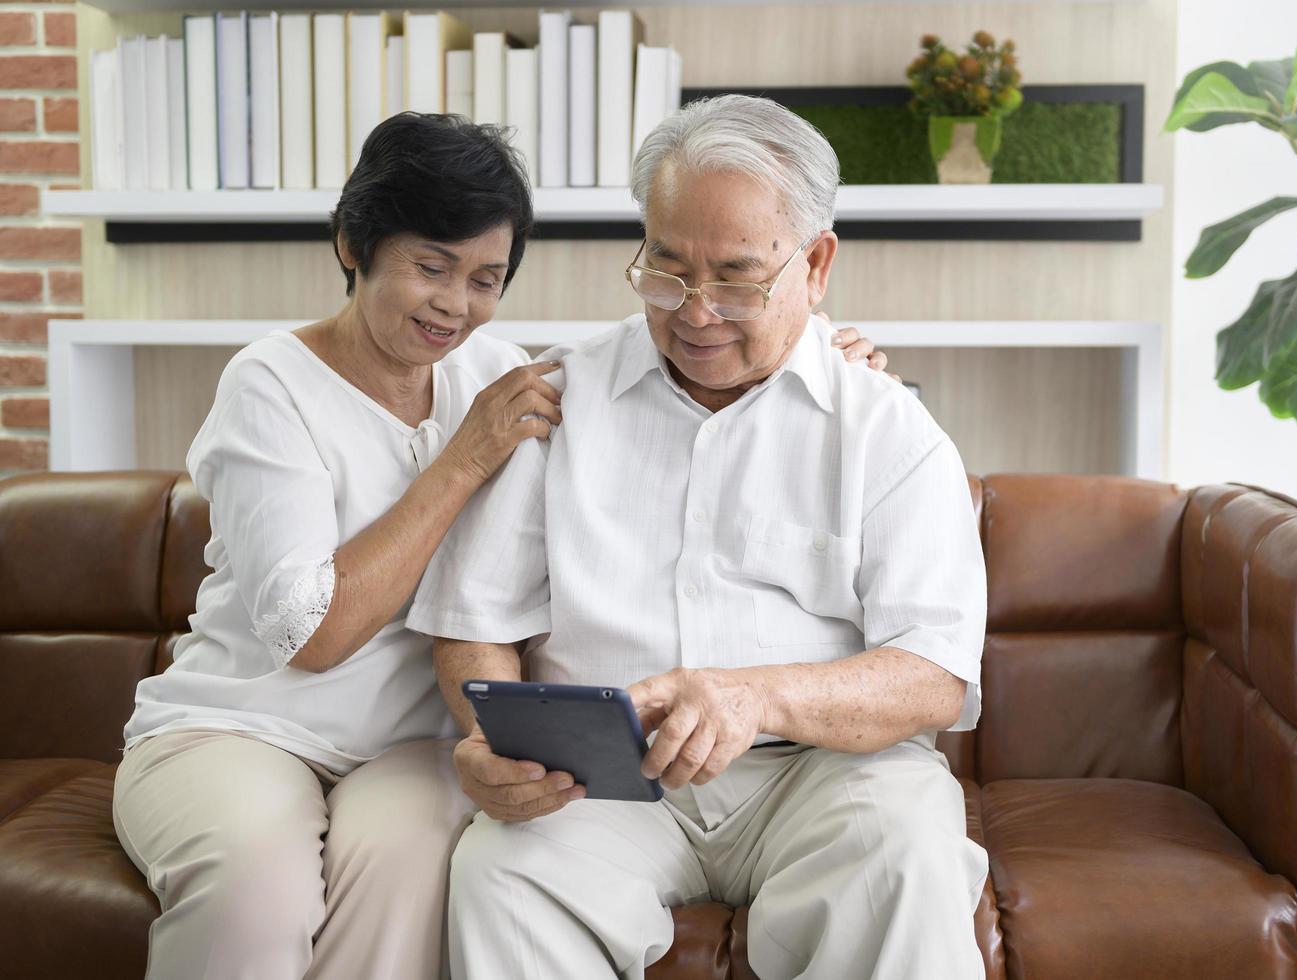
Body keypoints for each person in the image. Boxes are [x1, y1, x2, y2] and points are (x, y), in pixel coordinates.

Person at [112, 110, 899, 980]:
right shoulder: (271, 384)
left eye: (486, 277)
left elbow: (739, 349)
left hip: (406, 752)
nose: (455, 303)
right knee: (256, 883)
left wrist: (827, 352)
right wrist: (465, 456)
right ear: (352, 243)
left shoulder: (495, 371)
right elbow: (313, 634)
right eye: (430, 267)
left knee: (412, 874)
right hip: (247, 728)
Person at [407, 95, 989, 980]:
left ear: (816, 263)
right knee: (501, 871)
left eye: (736, 278)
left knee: (906, 847)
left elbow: (932, 677)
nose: (695, 311)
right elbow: (474, 618)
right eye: (666, 270)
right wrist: (490, 738)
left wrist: (756, 697)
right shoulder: (558, 397)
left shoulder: (885, 429)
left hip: (823, 779)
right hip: (603, 781)